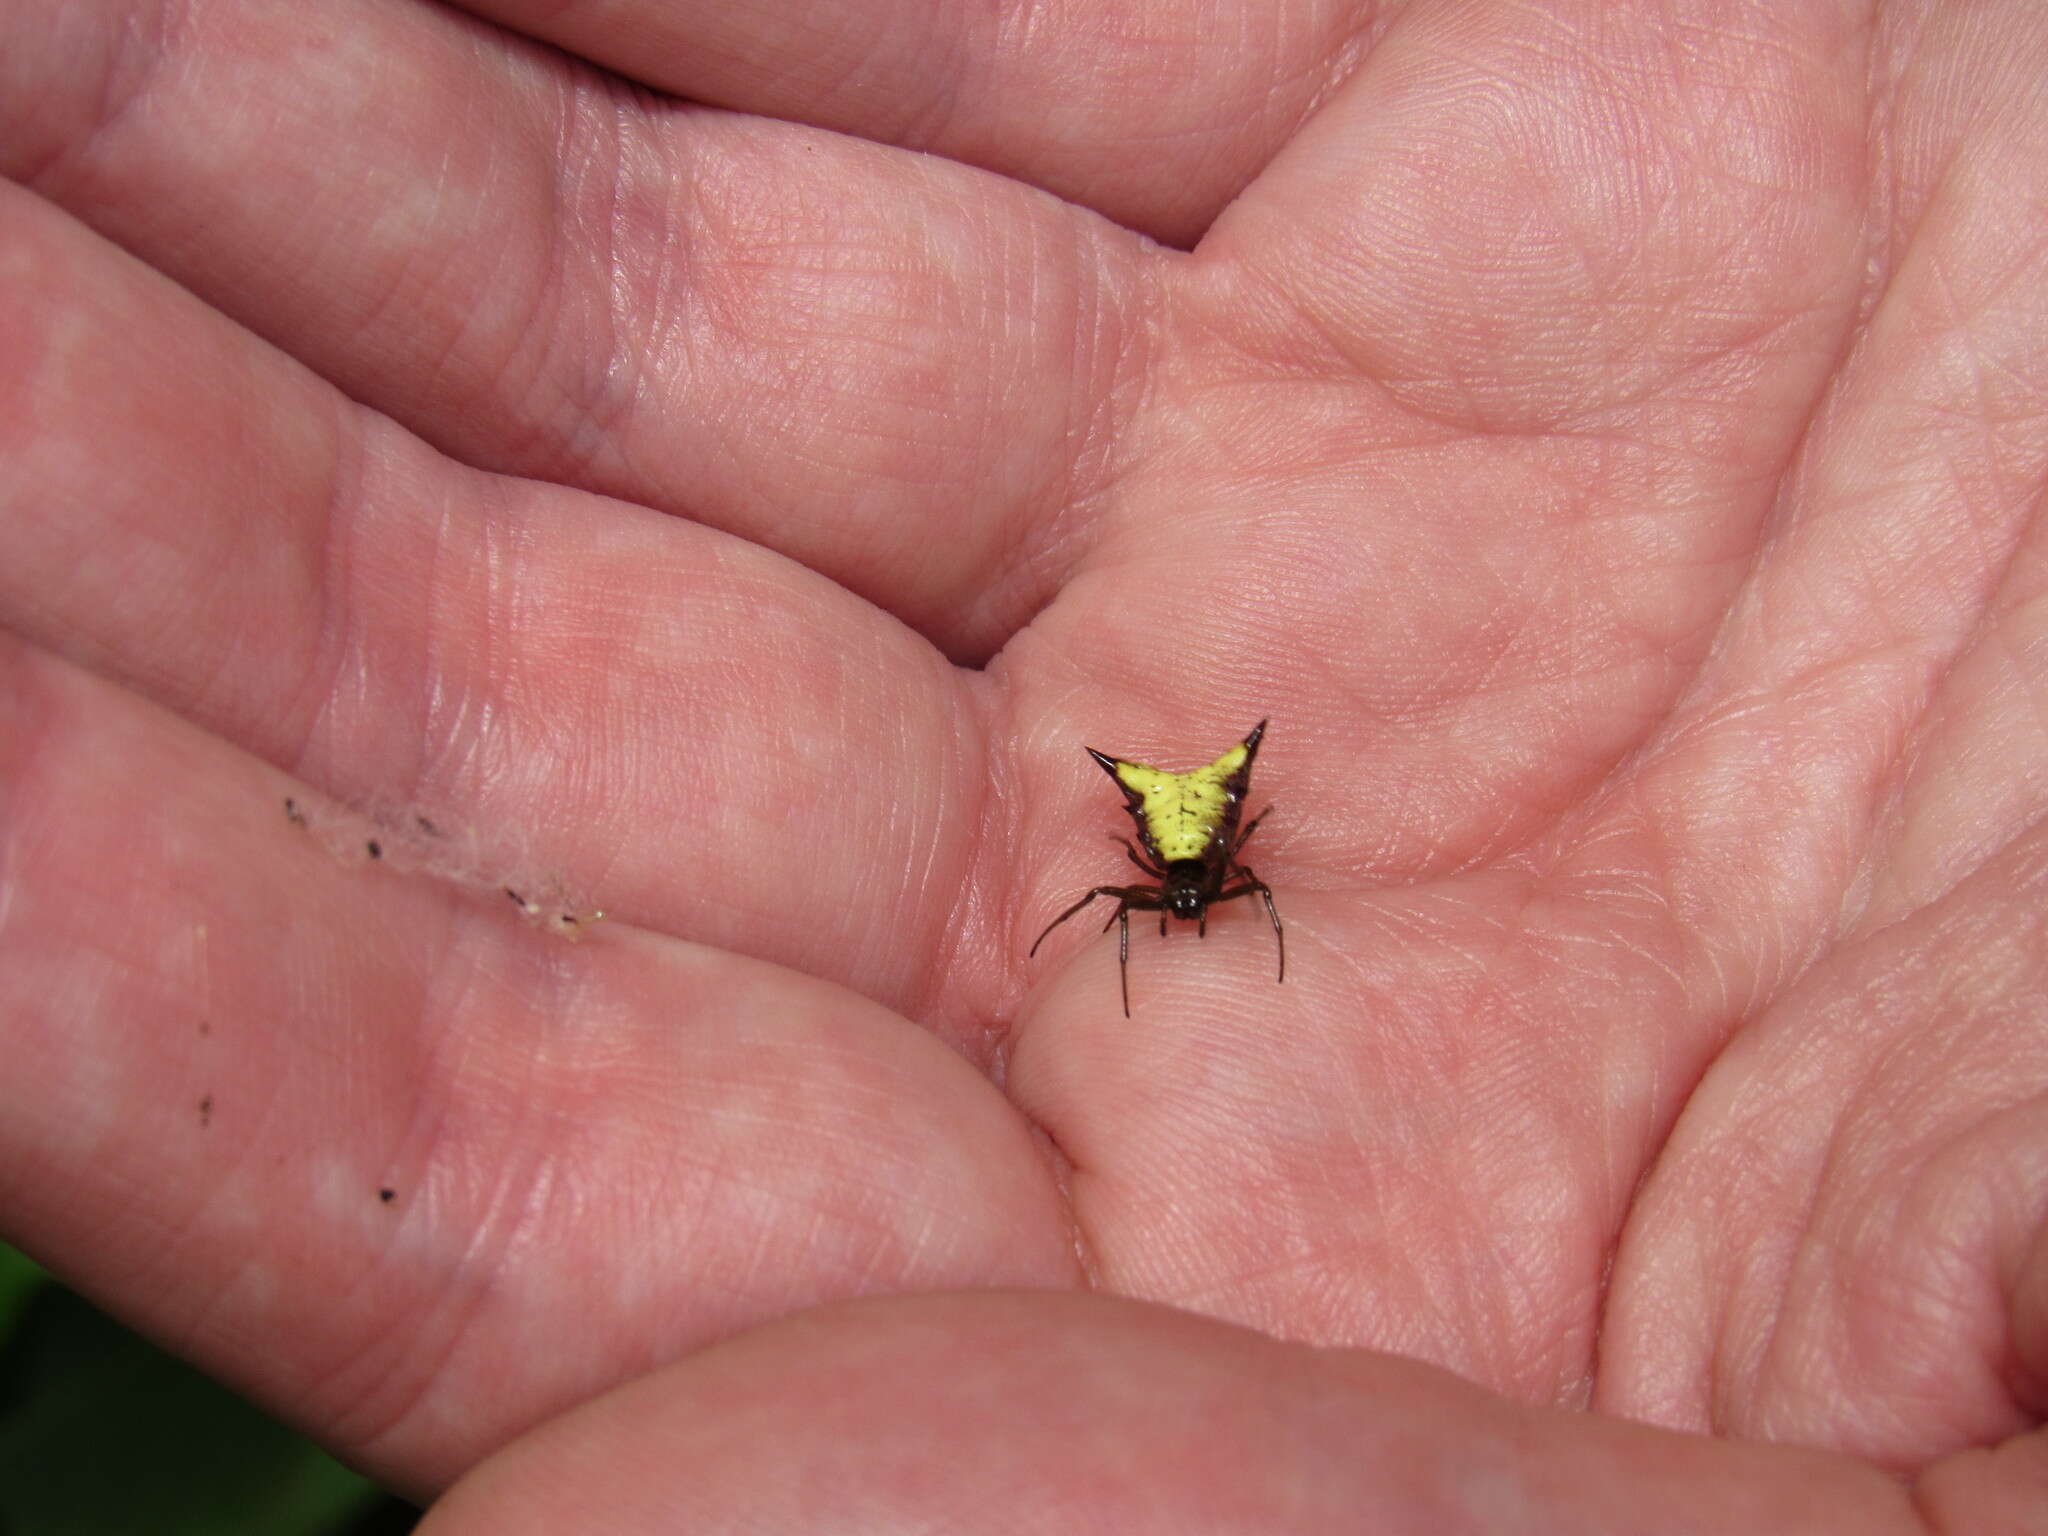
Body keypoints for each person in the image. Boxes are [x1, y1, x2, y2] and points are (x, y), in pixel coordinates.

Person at [1, 0, 2041, 1528]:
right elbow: (1166, 863)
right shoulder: (1169, 862)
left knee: (1188, 824)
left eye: (1199, 869)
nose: (1190, 889)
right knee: (1170, 828)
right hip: (1157, 803)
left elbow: (1198, 855)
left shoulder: (1197, 858)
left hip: (1171, 800)